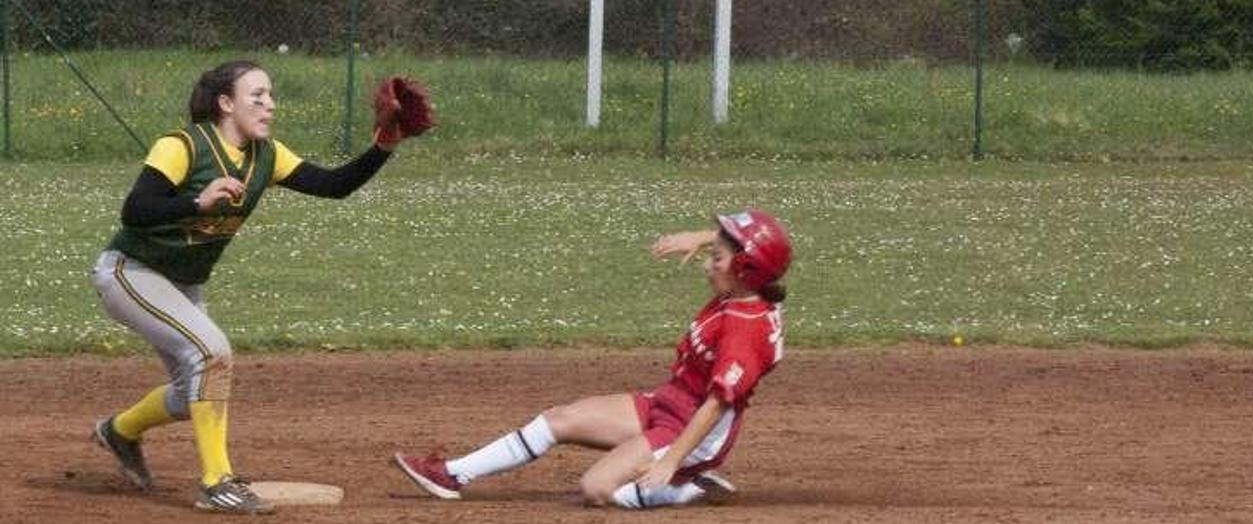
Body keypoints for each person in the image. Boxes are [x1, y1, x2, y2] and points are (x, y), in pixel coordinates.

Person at [89, 60, 431, 514]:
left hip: (180, 283)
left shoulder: (265, 155)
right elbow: (135, 210)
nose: (269, 104)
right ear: (225, 104)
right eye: (257, 96)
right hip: (129, 273)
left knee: (194, 386)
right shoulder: (183, 145)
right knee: (213, 354)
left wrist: (384, 143)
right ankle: (217, 482)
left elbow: (332, 186)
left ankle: (121, 431)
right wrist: (196, 199)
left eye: (270, 95)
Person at [392, 210, 792, 509]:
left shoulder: (746, 329)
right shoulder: (742, 293)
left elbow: (717, 403)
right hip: (669, 403)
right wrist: (702, 237)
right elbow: (751, 250)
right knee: (559, 419)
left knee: (597, 488)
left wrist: (671, 462)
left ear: (746, 271)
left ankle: (687, 489)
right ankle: (452, 474)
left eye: (717, 258)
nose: (708, 264)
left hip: (691, 432)